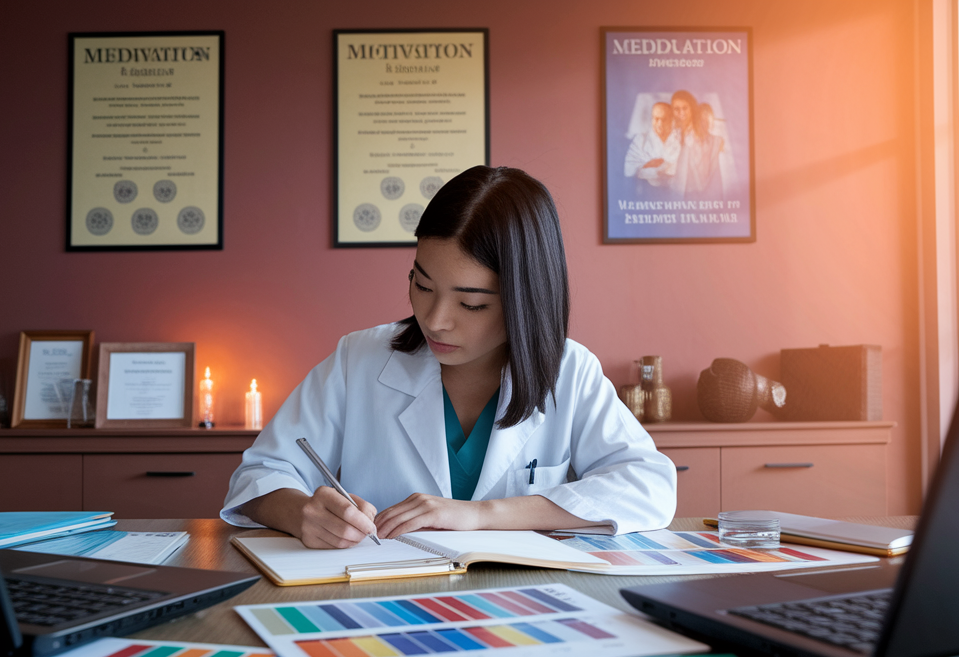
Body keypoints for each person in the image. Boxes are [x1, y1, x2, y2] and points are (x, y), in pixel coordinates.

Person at [222, 166, 677, 549]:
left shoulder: (570, 371)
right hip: (385, 604)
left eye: (471, 304)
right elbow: (260, 475)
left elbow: (648, 486)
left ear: (526, 299)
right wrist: (303, 513)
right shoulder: (358, 359)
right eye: (422, 285)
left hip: (522, 606)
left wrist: (482, 515)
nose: (434, 320)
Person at [623, 101, 680, 190]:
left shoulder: (679, 140)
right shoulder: (640, 139)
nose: (660, 124)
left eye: (664, 119)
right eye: (656, 119)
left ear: (671, 120)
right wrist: (647, 166)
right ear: (652, 119)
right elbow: (628, 170)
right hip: (645, 193)